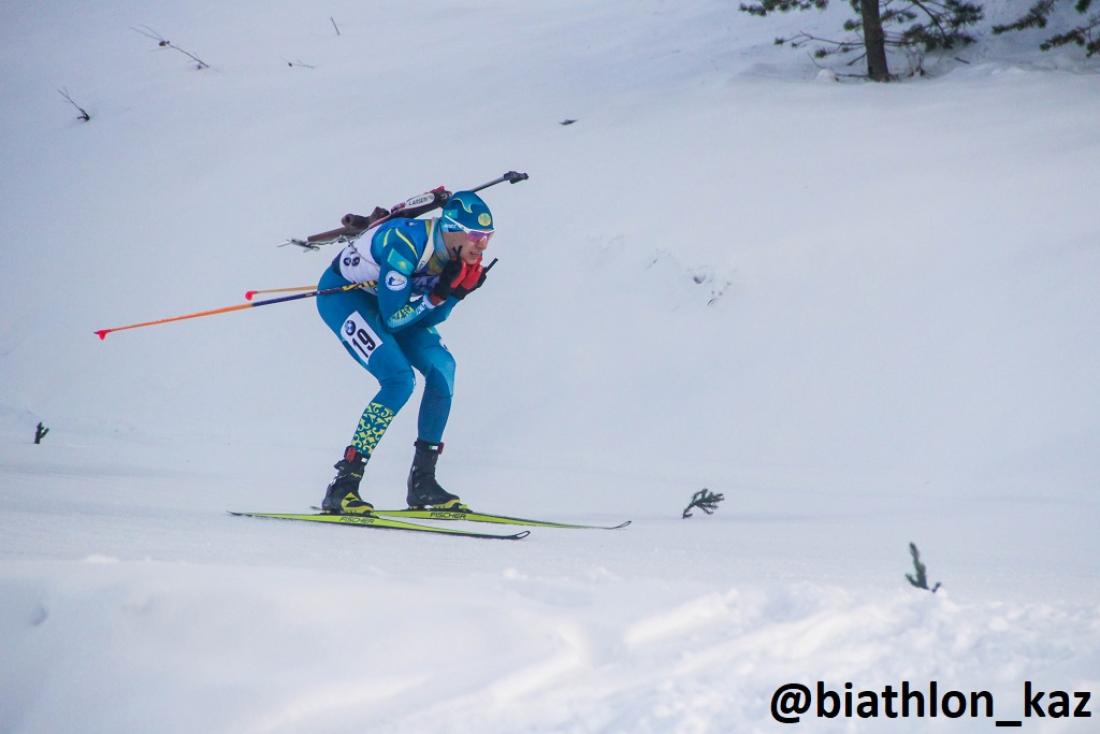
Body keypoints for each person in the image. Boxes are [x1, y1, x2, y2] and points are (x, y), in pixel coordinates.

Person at [315, 191, 494, 515]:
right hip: (345, 298)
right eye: (476, 236)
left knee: (443, 369)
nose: (482, 245)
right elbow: (392, 321)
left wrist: (454, 295)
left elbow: (432, 316)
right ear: (451, 230)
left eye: (487, 237)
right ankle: (343, 485)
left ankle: (423, 483)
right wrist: (438, 295)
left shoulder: (462, 254)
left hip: (396, 306)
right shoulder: (406, 243)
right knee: (398, 380)